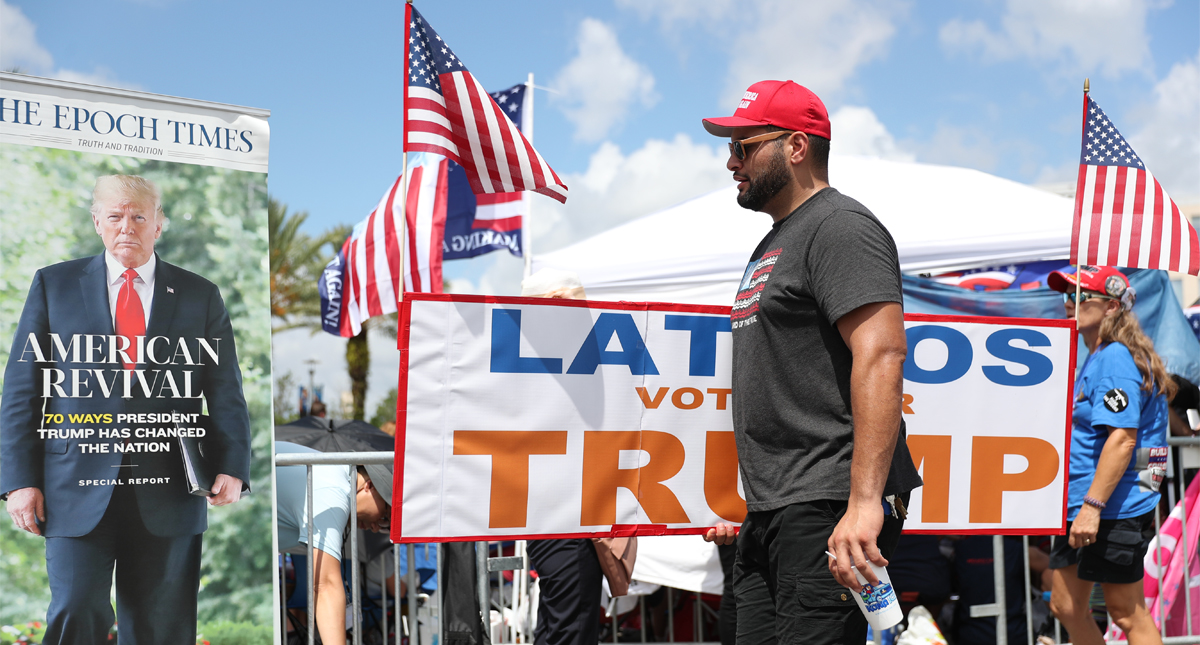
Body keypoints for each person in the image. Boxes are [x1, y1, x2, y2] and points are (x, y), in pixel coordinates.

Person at [699, 80, 923, 645]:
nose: (731, 162)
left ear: (796, 147)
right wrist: (754, 502)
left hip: (826, 503)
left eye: (743, 147)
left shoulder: (840, 227)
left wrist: (865, 503)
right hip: (776, 507)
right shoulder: (780, 239)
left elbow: (882, 351)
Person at [1, 174, 251, 644]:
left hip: (169, 487)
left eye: (139, 216)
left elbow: (224, 390)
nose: (126, 227)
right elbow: (21, 389)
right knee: (77, 610)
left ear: (160, 225)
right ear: (97, 222)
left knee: (161, 627)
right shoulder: (53, 285)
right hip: (72, 486)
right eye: (115, 216)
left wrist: (233, 466)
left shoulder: (200, 294)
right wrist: (19, 480)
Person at [1046, 265, 1172, 645]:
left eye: (1083, 296)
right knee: (1065, 606)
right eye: (1068, 296)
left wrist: (1092, 507)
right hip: (1085, 504)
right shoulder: (1099, 355)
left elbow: (1122, 440)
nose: (1071, 303)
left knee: (1126, 612)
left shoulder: (1116, 357)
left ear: (1113, 307)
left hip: (1110, 507)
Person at [519, 268, 637, 645]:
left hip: (568, 509)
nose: (587, 311)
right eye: (577, 302)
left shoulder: (555, 362)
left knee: (562, 622)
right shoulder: (540, 364)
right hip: (558, 512)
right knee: (571, 624)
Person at [275, 441, 394, 645]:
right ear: (370, 486)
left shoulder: (333, 474)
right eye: (384, 515)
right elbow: (326, 585)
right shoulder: (333, 490)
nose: (376, 528)